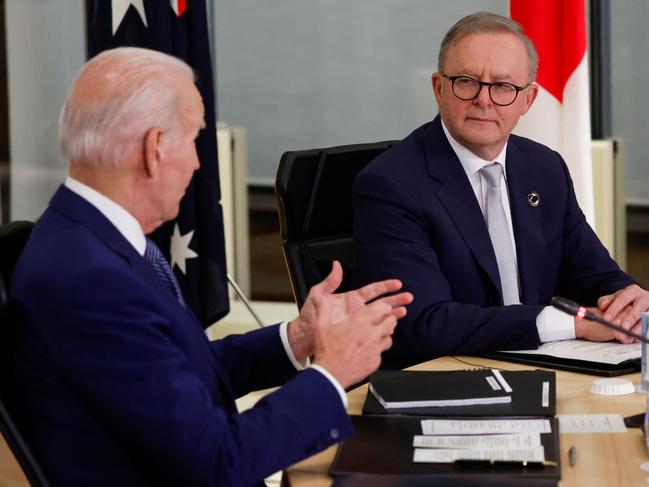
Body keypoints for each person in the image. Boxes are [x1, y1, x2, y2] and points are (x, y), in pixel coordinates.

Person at [7, 47, 412, 487]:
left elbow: (175, 374)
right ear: (155, 148)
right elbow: (219, 463)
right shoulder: (91, 281)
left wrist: (298, 337)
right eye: (194, 139)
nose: (199, 163)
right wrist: (332, 372)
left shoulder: (86, 239)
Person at [353, 11, 649, 370]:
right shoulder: (391, 184)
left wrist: (629, 300)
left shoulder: (544, 168)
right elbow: (423, 323)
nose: (484, 99)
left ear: (528, 99)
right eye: (466, 81)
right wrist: (572, 324)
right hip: (445, 380)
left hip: (544, 368)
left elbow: (594, 274)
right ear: (438, 87)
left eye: (504, 86)